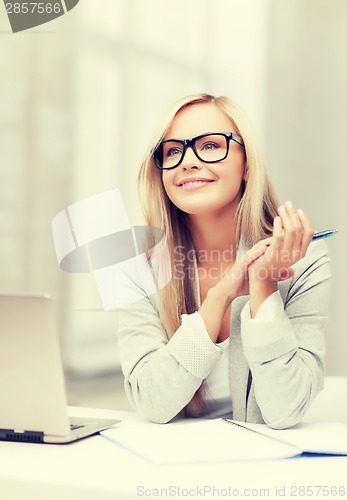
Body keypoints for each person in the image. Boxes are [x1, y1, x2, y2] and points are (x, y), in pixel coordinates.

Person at [117, 93, 331, 428]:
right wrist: (219, 297)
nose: (187, 161)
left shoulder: (305, 260)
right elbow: (153, 402)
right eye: (173, 151)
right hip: (171, 464)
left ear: (247, 164)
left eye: (211, 145)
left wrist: (264, 285)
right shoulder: (136, 268)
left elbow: (286, 410)